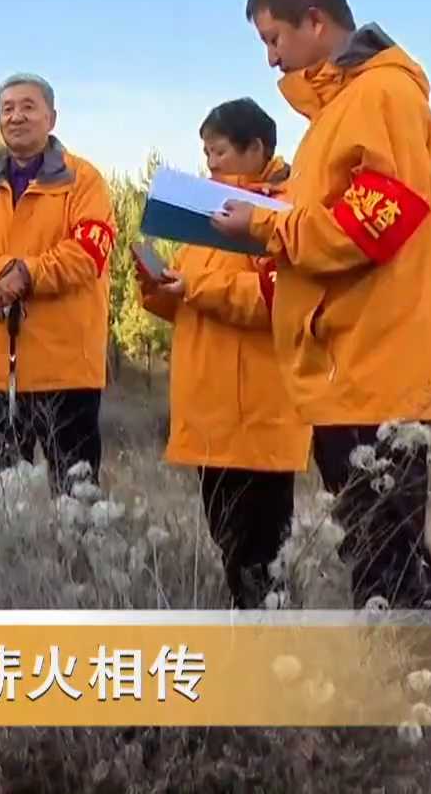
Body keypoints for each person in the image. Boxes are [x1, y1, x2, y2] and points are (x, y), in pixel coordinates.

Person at [213, 0, 431, 614]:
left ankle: (403, 679)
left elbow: (373, 224)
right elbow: (327, 222)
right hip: (346, 368)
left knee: (387, 559)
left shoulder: (383, 96)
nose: (270, 58)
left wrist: (266, 226)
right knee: (374, 553)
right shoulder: (336, 115)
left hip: (374, 370)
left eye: (273, 38)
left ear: (314, 20)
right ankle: (394, 675)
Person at [138, 99, 308, 610]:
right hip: (207, 405)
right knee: (231, 547)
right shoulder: (206, 212)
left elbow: (279, 303)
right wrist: (159, 287)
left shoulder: (285, 216)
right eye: (206, 153)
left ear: (256, 149)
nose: (210, 163)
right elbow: (190, 304)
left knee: (261, 557)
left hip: (258, 413)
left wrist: (195, 285)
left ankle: (271, 646)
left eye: (220, 152)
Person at [0, 73, 117, 493]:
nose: (16, 117)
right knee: (4, 500)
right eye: (7, 109)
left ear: (51, 118)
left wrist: (27, 274)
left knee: (76, 498)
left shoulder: (84, 180)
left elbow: (88, 252)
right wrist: (1, 271)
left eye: (27, 107)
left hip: (67, 371)